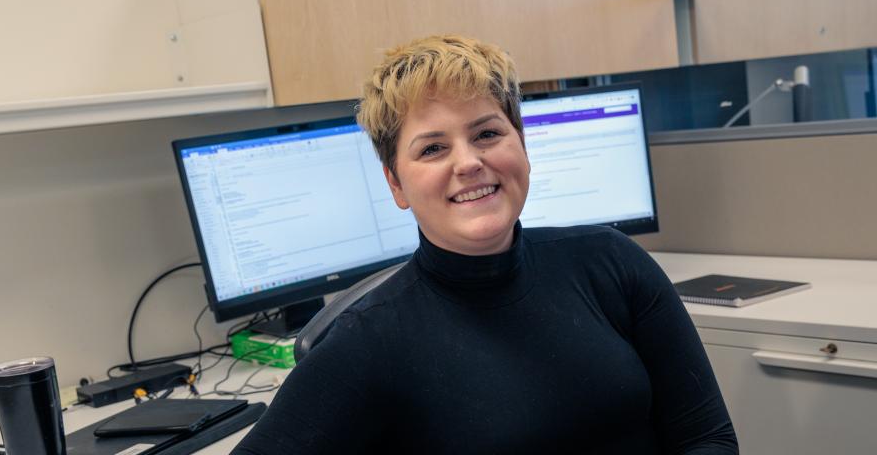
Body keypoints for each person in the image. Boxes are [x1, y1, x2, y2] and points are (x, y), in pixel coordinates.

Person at [231, 35, 737, 454]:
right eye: (432, 148)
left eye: (487, 133)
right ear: (396, 185)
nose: (468, 162)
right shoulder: (368, 340)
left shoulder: (611, 263)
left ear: (521, 143)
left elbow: (706, 436)